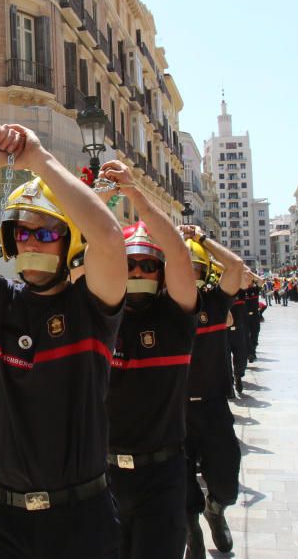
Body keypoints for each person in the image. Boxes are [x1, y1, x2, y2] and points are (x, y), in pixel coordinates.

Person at [0, 124, 126, 559]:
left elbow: (110, 239)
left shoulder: (90, 309)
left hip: (82, 522)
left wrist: (38, 159)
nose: (32, 240)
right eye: (23, 232)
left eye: (47, 233)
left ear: (70, 242)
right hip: (1, 522)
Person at [96, 160, 197, 559]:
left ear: (160, 273)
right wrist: (99, 197)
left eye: (147, 265)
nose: (137, 270)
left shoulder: (176, 320)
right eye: (129, 263)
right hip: (103, 477)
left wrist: (135, 193)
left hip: (162, 476)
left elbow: (177, 253)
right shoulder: (100, 316)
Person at [179, 225, 245, 559]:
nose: (188, 274)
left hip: (214, 406)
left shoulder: (216, 305)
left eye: (195, 268)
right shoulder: (162, 305)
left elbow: (235, 267)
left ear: (205, 272)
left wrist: (201, 239)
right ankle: (192, 528)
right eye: (181, 266)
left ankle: (215, 510)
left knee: (227, 483)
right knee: (181, 479)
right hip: (175, 412)